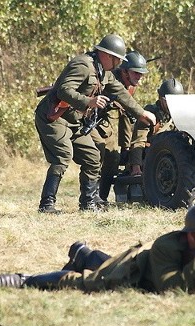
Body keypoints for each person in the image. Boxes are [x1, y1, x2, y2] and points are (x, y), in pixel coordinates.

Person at [0, 201, 195, 293]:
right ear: (191, 235)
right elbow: (169, 289)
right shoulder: (167, 245)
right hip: (135, 272)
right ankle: (25, 280)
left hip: (145, 274)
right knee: (88, 283)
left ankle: (83, 254)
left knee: (102, 264)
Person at [35, 34, 156, 213]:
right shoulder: (83, 65)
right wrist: (88, 102)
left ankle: (88, 203)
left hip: (74, 121)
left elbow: (121, 93)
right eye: (118, 60)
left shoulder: (105, 73)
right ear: (108, 56)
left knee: (93, 156)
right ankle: (47, 204)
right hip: (53, 118)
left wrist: (141, 113)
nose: (119, 65)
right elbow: (63, 90)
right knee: (63, 156)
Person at [97, 51, 149, 201]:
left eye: (141, 74)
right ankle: (98, 198)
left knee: (117, 157)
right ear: (125, 71)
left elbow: (126, 115)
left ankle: (103, 198)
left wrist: (126, 147)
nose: (139, 77)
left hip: (110, 123)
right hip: (96, 120)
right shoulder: (109, 81)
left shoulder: (130, 86)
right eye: (136, 73)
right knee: (107, 156)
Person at [128, 78, 185, 176]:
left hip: (175, 157)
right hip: (152, 158)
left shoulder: (182, 115)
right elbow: (138, 141)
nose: (172, 105)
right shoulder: (150, 114)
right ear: (160, 98)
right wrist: (136, 166)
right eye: (168, 101)